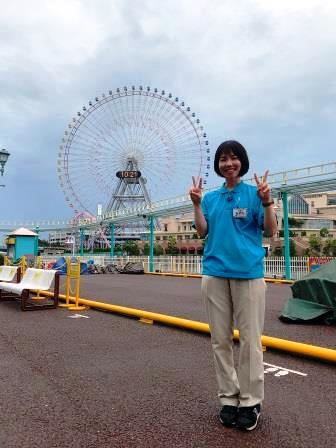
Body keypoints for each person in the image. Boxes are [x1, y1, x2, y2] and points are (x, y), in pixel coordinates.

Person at [189, 140, 277, 431]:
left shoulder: (254, 194)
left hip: (248, 275)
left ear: (242, 162)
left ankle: (251, 402)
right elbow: (203, 231)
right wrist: (197, 205)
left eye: (234, 158)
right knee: (220, 340)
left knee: (251, 342)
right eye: (223, 159)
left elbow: (270, 229)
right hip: (214, 273)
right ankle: (229, 398)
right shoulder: (211, 199)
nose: (229, 163)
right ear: (217, 165)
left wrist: (266, 202)